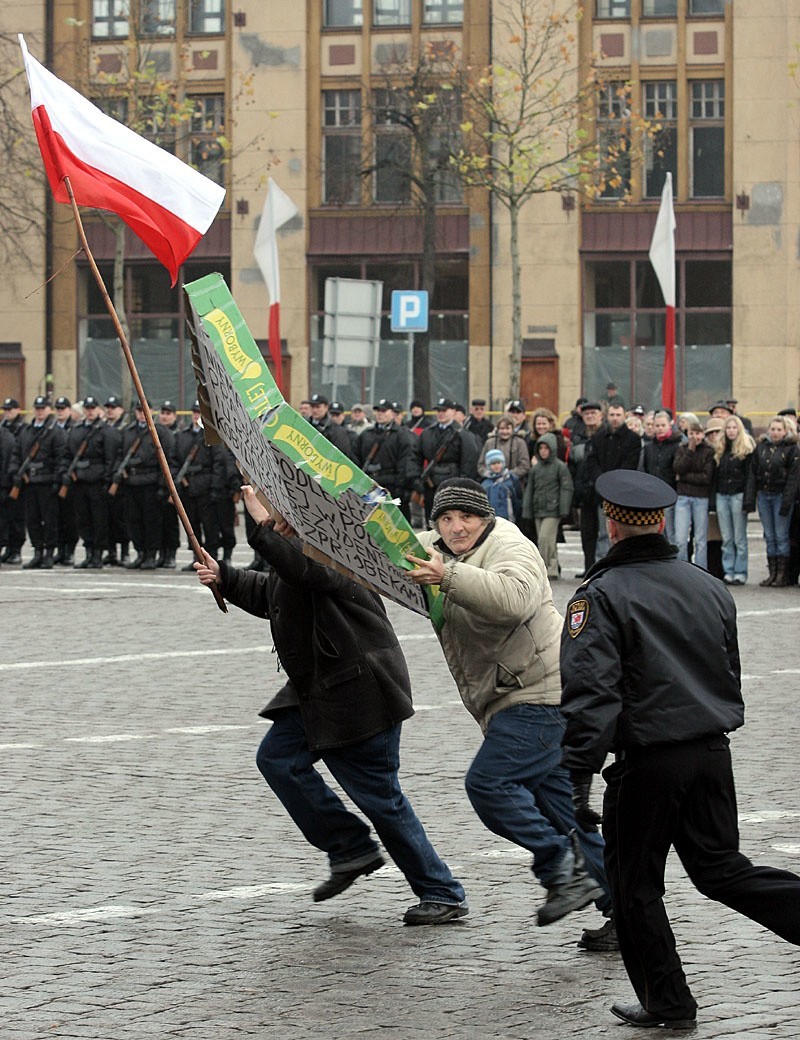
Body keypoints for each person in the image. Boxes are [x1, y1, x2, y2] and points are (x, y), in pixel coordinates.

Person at [560, 469, 800, 1031]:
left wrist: (575, 777)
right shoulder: (707, 583)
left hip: (648, 760)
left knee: (634, 884)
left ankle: (668, 1003)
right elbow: (729, 668)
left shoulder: (599, 596)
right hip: (711, 749)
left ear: (612, 527)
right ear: (663, 522)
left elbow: (592, 696)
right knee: (721, 869)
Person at [194, 486, 468, 925]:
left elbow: (305, 573)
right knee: (279, 760)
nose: (276, 518)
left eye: (280, 511)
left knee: (381, 800)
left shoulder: (340, 547)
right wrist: (226, 577)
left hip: (360, 694)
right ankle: (349, 846)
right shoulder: (301, 548)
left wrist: (262, 525)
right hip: (321, 691)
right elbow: (276, 593)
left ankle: (442, 891)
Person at [407, 479, 613, 941]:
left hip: (541, 695)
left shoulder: (510, 544)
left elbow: (515, 598)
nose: (456, 527)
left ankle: (562, 871)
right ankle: (627, 912)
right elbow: (381, 549)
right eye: (446, 518)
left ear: (485, 517)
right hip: (513, 695)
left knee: (490, 784)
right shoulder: (437, 549)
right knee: (565, 814)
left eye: (466, 517)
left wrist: (447, 577)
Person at [11, 397, 67, 570]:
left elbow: (60, 458)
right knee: (32, 520)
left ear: (49, 410)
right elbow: (16, 453)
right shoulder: (26, 431)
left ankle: (49, 553)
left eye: (43, 408)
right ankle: (37, 552)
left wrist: (56, 480)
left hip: (47, 481)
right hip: (29, 482)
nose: (40, 411)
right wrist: (16, 473)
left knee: (49, 520)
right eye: (37, 408)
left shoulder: (55, 432)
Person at [63, 395, 119, 568]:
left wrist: (107, 480)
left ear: (98, 409)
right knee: (83, 519)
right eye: (87, 408)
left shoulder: (105, 431)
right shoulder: (77, 430)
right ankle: (88, 552)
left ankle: (98, 554)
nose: (90, 411)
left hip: (97, 482)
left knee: (99, 520)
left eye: (93, 408)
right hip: (79, 481)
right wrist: (67, 473)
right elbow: (67, 454)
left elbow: (110, 458)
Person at [744, 414, 799, 587]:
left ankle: (782, 575)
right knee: (769, 536)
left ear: (785, 431)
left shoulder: (792, 450)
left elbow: (793, 479)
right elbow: (753, 474)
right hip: (764, 495)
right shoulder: (761, 447)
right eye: (773, 429)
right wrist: (750, 499)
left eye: (779, 430)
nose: (775, 433)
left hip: (781, 496)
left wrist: (787, 502)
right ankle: (772, 573)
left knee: (781, 536)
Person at [585, 402, 640, 562]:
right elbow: (592, 462)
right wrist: (601, 481)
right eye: (612, 415)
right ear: (606, 416)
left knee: (624, 533)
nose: (615, 419)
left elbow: (631, 465)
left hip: (623, 493)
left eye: (618, 415)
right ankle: (602, 566)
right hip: (602, 493)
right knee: (603, 533)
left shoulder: (633, 439)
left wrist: (614, 482)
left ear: (624, 416)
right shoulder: (598, 437)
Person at [410, 397, 480, 522]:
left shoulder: (463, 435)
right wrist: (416, 479)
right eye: (438, 410)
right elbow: (415, 457)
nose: (441, 413)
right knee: (432, 522)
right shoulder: (427, 433)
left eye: (444, 410)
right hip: (431, 485)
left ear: (453, 412)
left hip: (453, 486)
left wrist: (462, 485)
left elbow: (469, 462)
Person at [521, 433, 573, 580]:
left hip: (553, 509)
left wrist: (563, 509)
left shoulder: (560, 467)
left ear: (552, 449)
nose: (543, 451)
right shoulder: (535, 469)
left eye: (546, 448)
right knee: (546, 540)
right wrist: (527, 509)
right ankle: (552, 567)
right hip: (538, 508)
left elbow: (566, 488)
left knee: (545, 538)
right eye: (541, 448)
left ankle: (546, 568)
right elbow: (530, 489)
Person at [353, 400, 415, 516]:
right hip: (370, 484)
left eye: (383, 411)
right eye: (377, 411)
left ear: (393, 413)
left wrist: (401, 486)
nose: (380, 414)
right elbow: (355, 457)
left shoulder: (402, 435)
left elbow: (405, 461)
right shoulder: (366, 434)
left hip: (392, 485)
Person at [672, 419, 714, 569]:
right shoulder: (682, 449)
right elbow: (678, 468)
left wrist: (683, 477)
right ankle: (682, 568)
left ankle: (701, 568)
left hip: (701, 497)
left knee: (701, 539)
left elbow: (706, 477)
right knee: (681, 539)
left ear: (703, 434)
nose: (694, 437)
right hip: (683, 497)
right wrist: (690, 451)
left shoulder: (709, 451)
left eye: (698, 433)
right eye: (691, 433)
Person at [642, 410, 682, 543]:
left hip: (670, 493)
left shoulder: (677, 445)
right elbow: (646, 468)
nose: (659, 429)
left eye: (662, 425)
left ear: (669, 425)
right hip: (653, 494)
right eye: (657, 426)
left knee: (670, 531)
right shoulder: (649, 447)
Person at [477, 413, 530, 487]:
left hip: (513, 485)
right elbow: (481, 465)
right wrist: (488, 474)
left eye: (507, 428)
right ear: (497, 429)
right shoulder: (489, 443)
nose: (505, 432)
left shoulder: (520, 443)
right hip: (492, 484)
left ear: (512, 429)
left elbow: (525, 465)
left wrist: (509, 475)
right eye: (502, 428)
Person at [309, 393, 357, 460]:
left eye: (318, 407)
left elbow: (341, 454)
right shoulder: (305, 425)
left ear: (326, 408)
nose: (314, 410)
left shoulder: (336, 430)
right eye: (312, 407)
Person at [480, 448, 522, 521]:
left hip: (508, 519)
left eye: (498, 463)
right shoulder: (485, 484)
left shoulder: (511, 479)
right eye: (493, 464)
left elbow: (517, 499)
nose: (496, 466)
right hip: (491, 520)